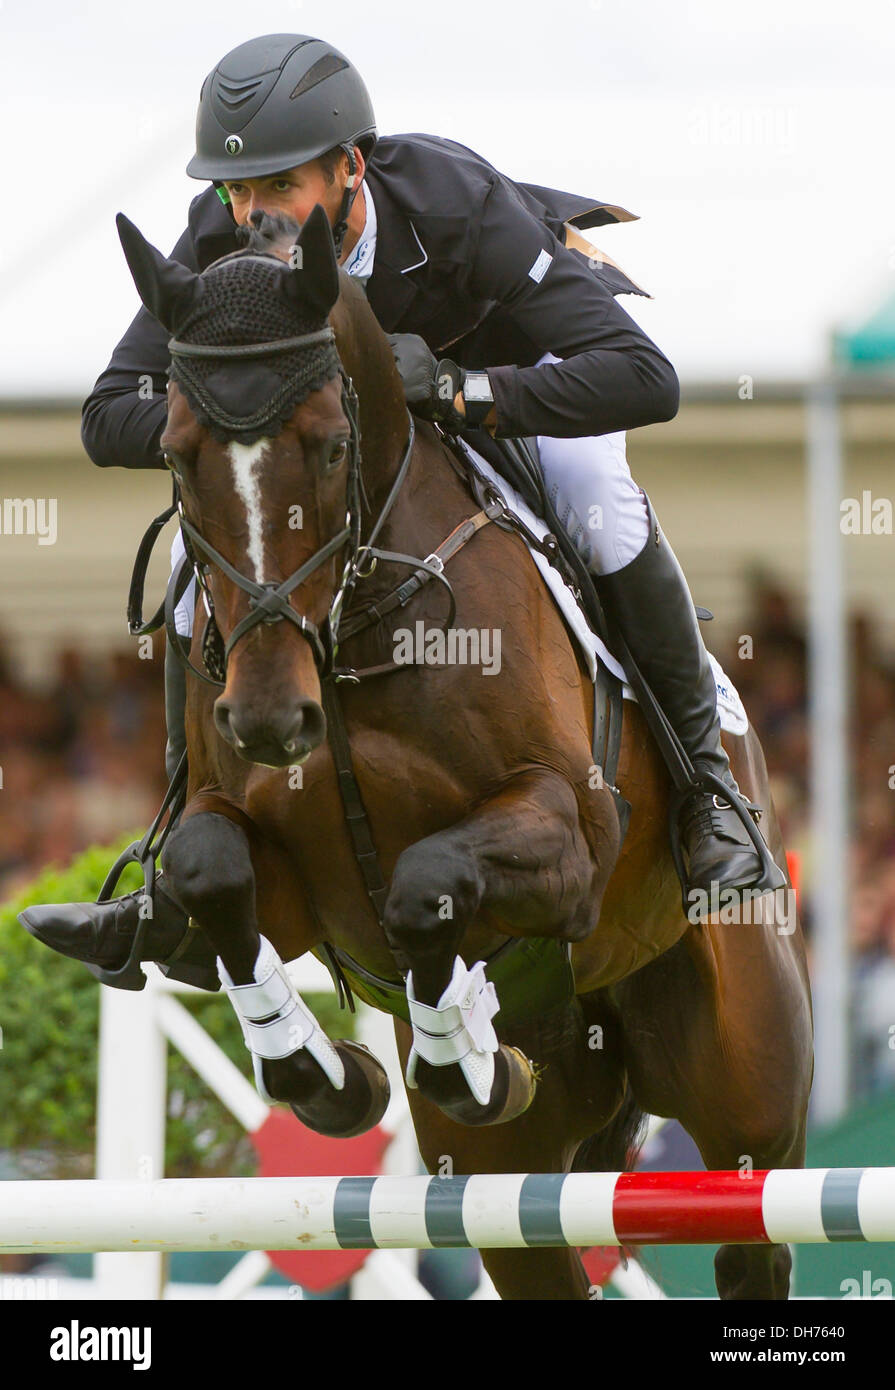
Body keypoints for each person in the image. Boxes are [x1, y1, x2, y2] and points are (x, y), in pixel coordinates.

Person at [20, 33, 781, 990]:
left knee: (597, 504)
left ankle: (709, 797)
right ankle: (171, 853)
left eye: (279, 186)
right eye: (235, 192)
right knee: (192, 571)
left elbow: (642, 377)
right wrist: (212, 424)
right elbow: (105, 414)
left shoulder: (455, 206)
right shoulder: (221, 238)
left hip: (512, 392)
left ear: (349, 167)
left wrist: (462, 389)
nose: (253, 215)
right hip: (332, 461)